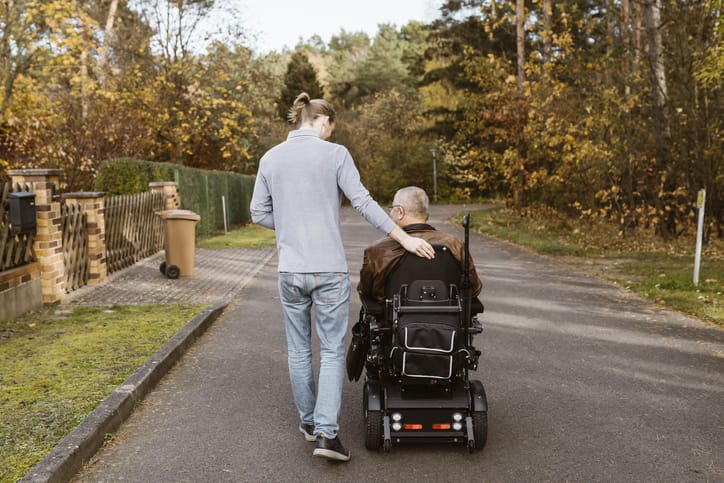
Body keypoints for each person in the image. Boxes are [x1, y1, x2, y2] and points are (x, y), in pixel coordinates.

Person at [249, 93, 434, 462]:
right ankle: (326, 435)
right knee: (332, 350)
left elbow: (258, 213)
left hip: (291, 270)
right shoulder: (335, 155)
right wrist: (405, 238)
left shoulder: (270, 158)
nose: (331, 135)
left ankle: (307, 422)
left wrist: (289, 227)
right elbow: (363, 203)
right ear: (322, 121)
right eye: (331, 128)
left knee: (299, 348)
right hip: (329, 269)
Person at [358, 186, 483, 306]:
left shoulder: (377, 250)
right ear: (425, 214)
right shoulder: (455, 245)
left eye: (392, 209)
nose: (390, 214)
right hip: (448, 321)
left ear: (400, 212)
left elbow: (366, 292)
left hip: (392, 323)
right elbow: (474, 289)